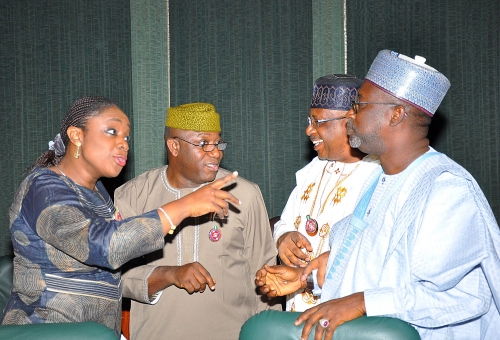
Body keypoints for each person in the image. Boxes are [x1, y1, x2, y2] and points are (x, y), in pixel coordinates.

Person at [256, 50, 500, 340]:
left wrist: (361, 302)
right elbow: (373, 264)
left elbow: (466, 297)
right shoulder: (382, 180)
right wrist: (305, 277)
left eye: (359, 106)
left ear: (395, 114)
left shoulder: (446, 188)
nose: (350, 118)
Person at [0, 96, 239, 335]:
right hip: (48, 331)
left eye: (126, 137)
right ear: (76, 136)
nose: (124, 143)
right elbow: (106, 246)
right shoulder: (44, 188)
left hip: (94, 333)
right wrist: (183, 206)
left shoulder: (98, 193)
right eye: (111, 131)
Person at [114, 102, 279, 340]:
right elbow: (116, 277)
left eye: (218, 143)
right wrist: (169, 274)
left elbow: (266, 275)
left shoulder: (245, 194)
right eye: (203, 144)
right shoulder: (133, 196)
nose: (216, 152)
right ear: (174, 146)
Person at [273, 74, 379, 312]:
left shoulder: (378, 176)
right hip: (296, 310)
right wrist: (283, 237)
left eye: (318, 121)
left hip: (343, 315)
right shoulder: (312, 169)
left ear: (350, 121)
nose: (309, 129)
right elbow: (284, 221)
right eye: (309, 119)